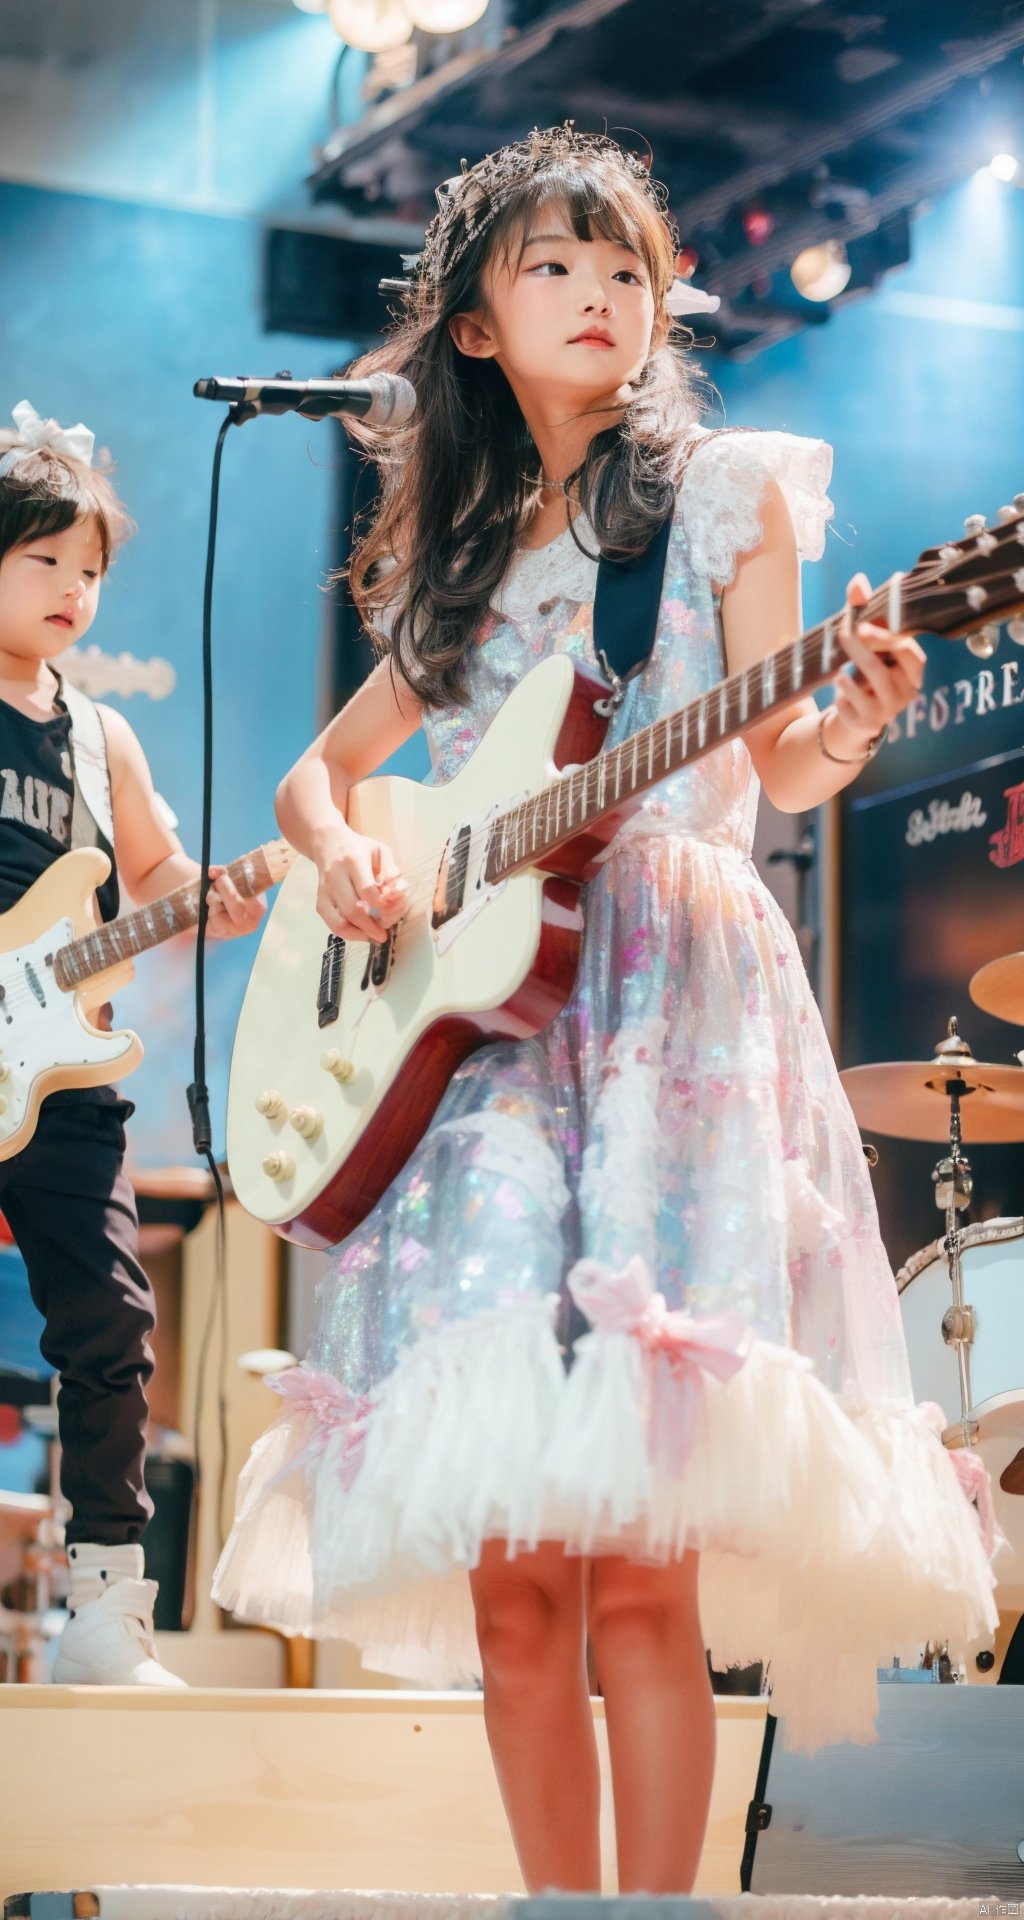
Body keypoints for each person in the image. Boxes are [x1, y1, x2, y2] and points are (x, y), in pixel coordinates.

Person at [213, 130, 997, 1889]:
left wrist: (855, 712)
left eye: (626, 267)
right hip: (478, 1035)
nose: (597, 294)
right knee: (512, 1561)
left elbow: (783, 766)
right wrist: (350, 861)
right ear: (475, 324)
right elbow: (313, 782)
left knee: (644, 1551)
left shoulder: (727, 497)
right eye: (555, 266)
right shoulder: (465, 554)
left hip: (673, 1005)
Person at [0, 401, 264, 1686]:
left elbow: (160, 881)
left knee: (108, 1323)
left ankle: (105, 1607)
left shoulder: (105, 738)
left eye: (91, 569)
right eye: (43, 558)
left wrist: (222, 895)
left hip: (65, 1075)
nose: (72, 588)